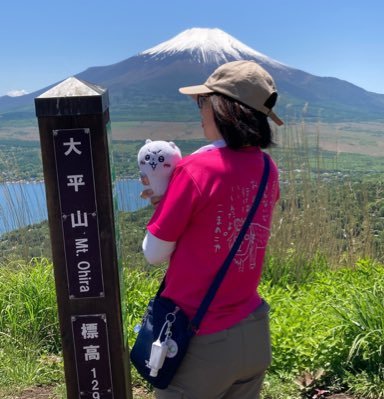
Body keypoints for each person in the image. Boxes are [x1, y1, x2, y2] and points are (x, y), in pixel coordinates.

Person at [141, 60, 282, 399]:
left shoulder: (196, 169)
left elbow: (153, 254)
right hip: (253, 330)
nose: (199, 109)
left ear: (222, 106)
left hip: (200, 342)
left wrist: (164, 200)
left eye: (202, 101)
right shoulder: (267, 168)